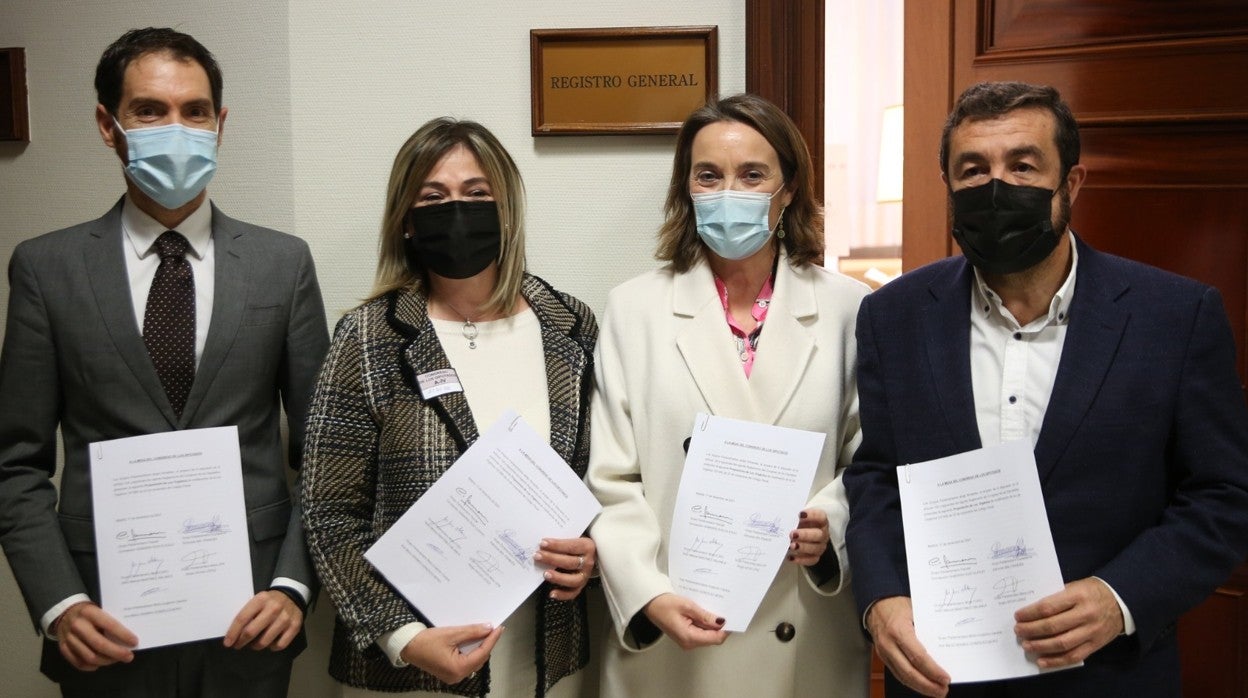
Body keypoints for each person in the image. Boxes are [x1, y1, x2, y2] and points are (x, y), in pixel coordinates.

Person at [844, 81, 1248, 697]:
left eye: (1023, 166)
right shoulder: (892, 317)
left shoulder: (1176, 316)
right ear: (949, 187)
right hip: (942, 677)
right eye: (972, 170)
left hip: (1109, 678)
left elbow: (1226, 495)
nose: (996, 187)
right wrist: (880, 599)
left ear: (1072, 185)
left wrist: (1121, 598)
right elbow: (875, 477)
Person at [0, 27, 328, 698]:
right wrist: (60, 603)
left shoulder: (281, 264)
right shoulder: (47, 268)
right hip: (106, 623)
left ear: (220, 123)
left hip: (253, 614)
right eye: (150, 110)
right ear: (108, 123)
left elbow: (325, 450)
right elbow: (16, 462)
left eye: (194, 111)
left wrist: (294, 584)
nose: (175, 127)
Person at [300, 117, 598, 697]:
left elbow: (598, 478)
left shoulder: (570, 325)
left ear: (506, 208)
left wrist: (593, 553)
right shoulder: (369, 337)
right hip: (409, 668)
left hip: (542, 656)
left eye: (477, 194)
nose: (456, 210)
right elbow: (329, 513)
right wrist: (402, 636)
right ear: (406, 222)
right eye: (433, 198)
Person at [585, 93, 871, 698]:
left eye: (752, 175)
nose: (727, 192)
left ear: (788, 188)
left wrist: (831, 525)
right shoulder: (634, 309)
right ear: (685, 188)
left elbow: (866, 460)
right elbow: (612, 479)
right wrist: (648, 594)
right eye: (708, 175)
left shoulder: (848, 309)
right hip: (675, 638)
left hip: (802, 635)